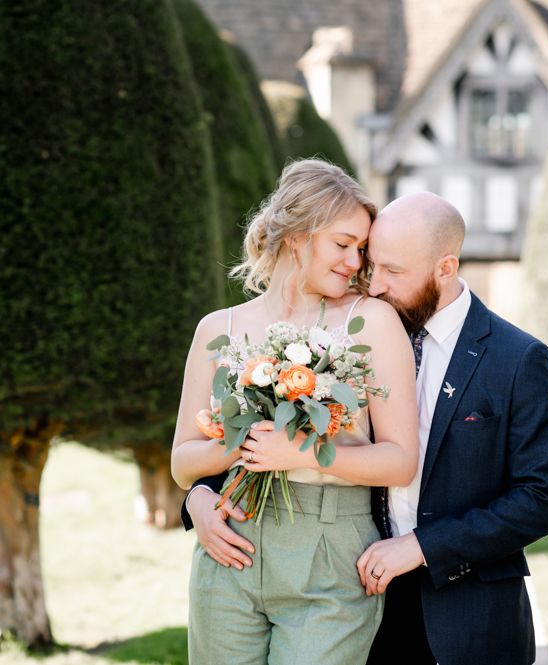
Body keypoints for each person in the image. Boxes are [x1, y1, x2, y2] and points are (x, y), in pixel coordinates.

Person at [182, 192, 548, 665]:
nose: (374, 284)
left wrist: (422, 547)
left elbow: (541, 499)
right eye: (371, 265)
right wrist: (199, 494)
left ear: (444, 269)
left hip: (466, 608)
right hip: (359, 582)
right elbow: (253, 438)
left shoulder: (516, 358)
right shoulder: (350, 331)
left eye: (393, 272)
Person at [170, 159, 420, 665]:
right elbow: (181, 463)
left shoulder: (370, 320)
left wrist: (300, 448)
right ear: (298, 235)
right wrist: (233, 449)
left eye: (362, 250)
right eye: (343, 244)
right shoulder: (218, 328)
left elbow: (399, 460)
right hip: (229, 548)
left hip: (330, 556)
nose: (355, 263)